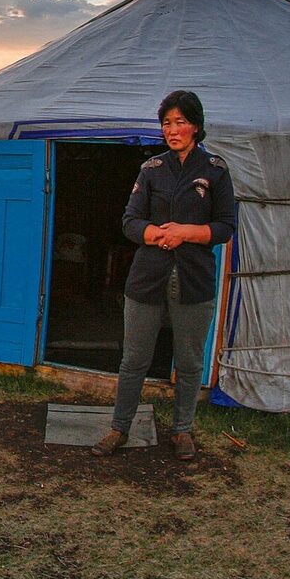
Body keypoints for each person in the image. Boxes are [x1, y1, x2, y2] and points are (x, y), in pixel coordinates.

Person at [93, 90, 237, 462]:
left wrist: (185, 232)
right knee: (134, 359)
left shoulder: (216, 171)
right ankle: (119, 427)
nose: (173, 130)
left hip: (194, 278)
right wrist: (155, 234)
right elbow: (130, 220)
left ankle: (182, 430)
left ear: (197, 126)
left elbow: (225, 227)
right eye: (167, 123)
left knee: (188, 361)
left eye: (181, 122)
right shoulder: (152, 169)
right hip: (148, 276)